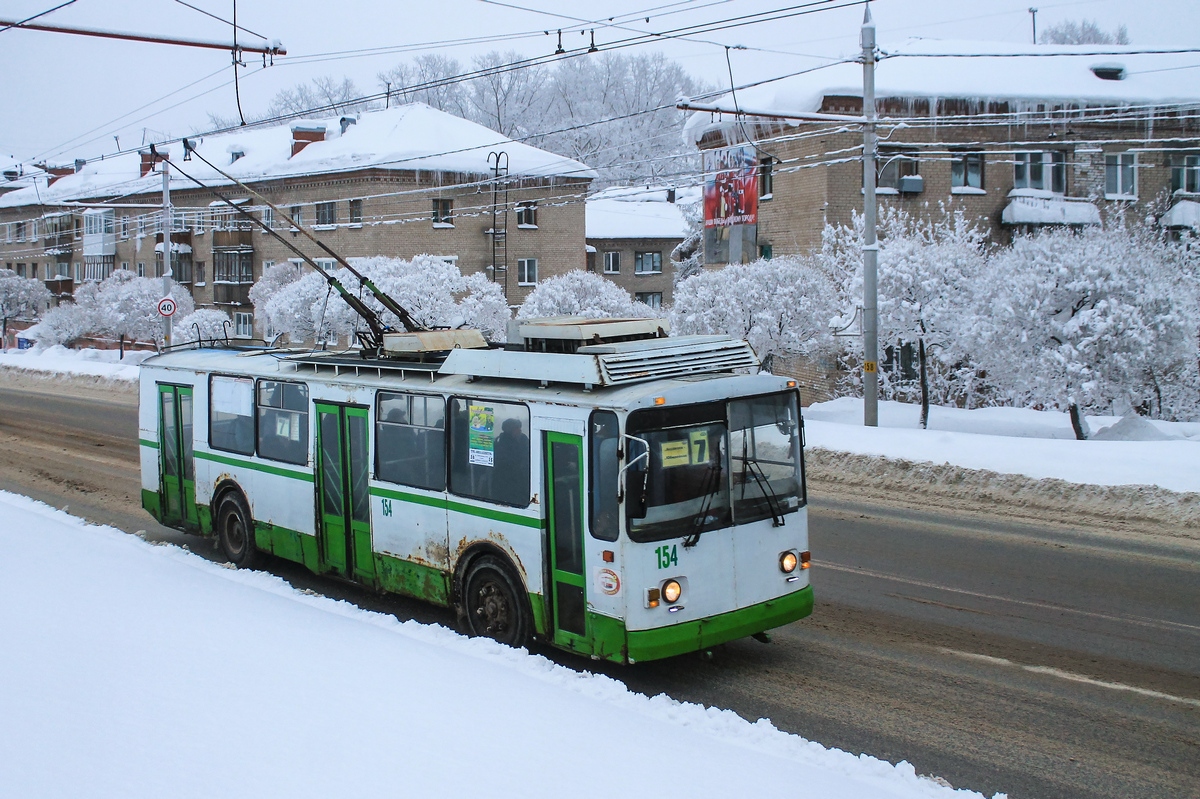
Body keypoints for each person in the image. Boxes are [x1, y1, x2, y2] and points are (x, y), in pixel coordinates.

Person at [492, 417, 530, 506]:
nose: (520, 430)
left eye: (520, 428)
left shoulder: (523, 439)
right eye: (517, 428)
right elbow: (507, 460)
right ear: (509, 430)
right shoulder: (502, 442)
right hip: (506, 479)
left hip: (522, 477)